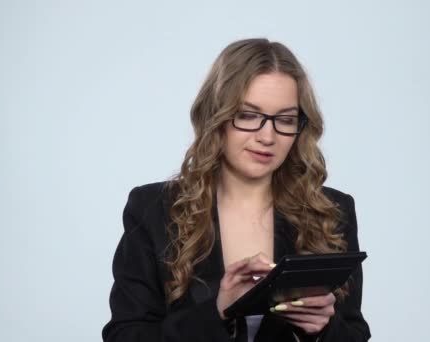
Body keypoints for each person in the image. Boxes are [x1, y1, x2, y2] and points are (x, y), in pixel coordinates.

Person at [102, 38, 371, 342]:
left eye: (285, 120)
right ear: (217, 117)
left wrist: (324, 329)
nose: (267, 136)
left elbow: (354, 334)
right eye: (248, 115)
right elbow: (125, 336)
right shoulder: (153, 209)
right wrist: (216, 313)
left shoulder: (331, 211)